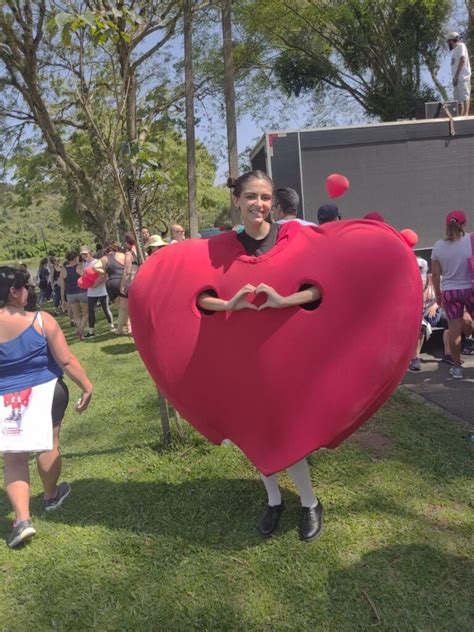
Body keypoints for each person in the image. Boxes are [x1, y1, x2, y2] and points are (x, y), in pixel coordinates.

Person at [196, 170, 324, 542]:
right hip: (241, 355)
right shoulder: (219, 246)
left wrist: (285, 300)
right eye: (251, 197)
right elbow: (196, 295)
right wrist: (228, 303)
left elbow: (320, 288)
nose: (259, 205)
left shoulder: (293, 237)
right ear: (237, 200)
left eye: (266, 198)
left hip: (285, 351)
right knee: (252, 428)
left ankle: (310, 503)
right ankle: (273, 500)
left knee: (285, 430)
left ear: (274, 202)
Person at [0, 266, 93, 548]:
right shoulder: (42, 320)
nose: (28, 291)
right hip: (48, 390)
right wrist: (86, 385)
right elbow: (66, 361)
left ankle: (23, 520)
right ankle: (51, 495)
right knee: (49, 444)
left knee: (14, 458)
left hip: (6, 399)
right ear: (14, 292)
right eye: (24, 286)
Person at [431, 210, 474, 379]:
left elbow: (435, 275)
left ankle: (457, 368)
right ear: (464, 223)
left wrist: (438, 295)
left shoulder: (438, 246)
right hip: (471, 288)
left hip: (450, 291)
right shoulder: (471, 239)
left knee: (454, 330)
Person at [95, 242, 132, 336]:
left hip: (110, 282)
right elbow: (128, 267)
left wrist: (104, 271)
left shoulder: (104, 258)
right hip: (121, 280)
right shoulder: (123, 255)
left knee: (121, 308)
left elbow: (95, 267)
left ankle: (127, 326)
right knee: (124, 308)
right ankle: (120, 329)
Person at [79, 246, 114, 338]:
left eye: (85, 254)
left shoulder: (97, 262)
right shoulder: (84, 263)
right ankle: (91, 331)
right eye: (82, 254)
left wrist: (96, 284)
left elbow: (105, 276)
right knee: (91, 311)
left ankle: (111, 326)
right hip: (91, 292)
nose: (84, 256)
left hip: (102, 290)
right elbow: (85, 276)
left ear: (90, 253)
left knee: (105, 308)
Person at [60, 251, 88, 340]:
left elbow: (62, 287)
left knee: (76, 314)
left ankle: (79, 330)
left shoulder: (63, 270)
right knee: (86, 312)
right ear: (75, 258)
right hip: (82, 291)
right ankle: (80, 329)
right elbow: (85, 278)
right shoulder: (79, 266)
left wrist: (62, 299)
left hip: (70, 294)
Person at [448, 32, 471, 116]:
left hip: (462, 76)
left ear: (451, 41)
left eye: (448, 41)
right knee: (458, 99)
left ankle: (465, 115)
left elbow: (462, 59)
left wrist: (457, 75)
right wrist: (454, 78)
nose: (448, 44)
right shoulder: (454, 51)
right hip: (456, 78)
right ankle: (460, 116)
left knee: (465, 96)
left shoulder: (461, 46)